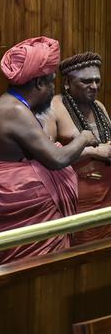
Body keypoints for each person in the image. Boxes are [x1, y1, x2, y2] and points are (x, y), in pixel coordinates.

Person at [0, 36, 96, 263]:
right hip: (22, 209)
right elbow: (56, 158)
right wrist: (83, 138)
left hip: (27, 207)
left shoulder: (12, 104)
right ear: (39, 83)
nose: (52, 89)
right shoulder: (14, 111)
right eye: (51, 82)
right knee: (36, 277)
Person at [49, 53, 111, 245]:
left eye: (97, 80)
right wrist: (93, 151)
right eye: (86, 81)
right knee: (82, 253)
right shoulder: (53, 107)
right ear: (67, 82)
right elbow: (47, 156)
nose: (94, 86)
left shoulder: (98, 106)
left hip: (107, 193)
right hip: (76, 196)